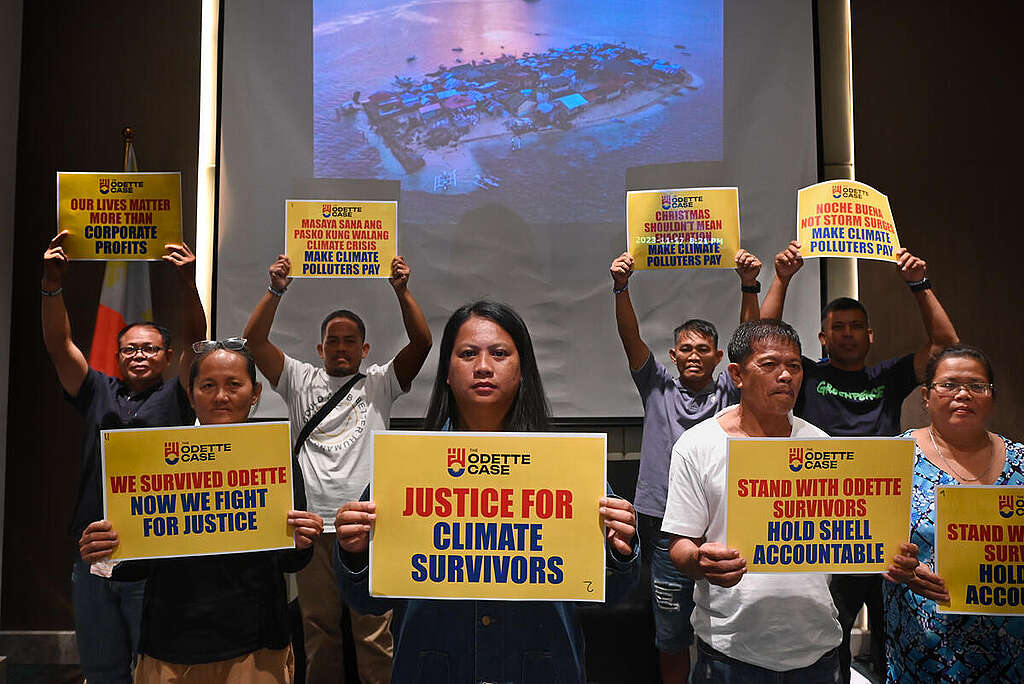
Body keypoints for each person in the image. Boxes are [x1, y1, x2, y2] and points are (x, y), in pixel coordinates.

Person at [334, 301, 641, 683]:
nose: (482, 366)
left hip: (539, 667)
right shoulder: (406, 468)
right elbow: (364, 598)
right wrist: (353, 552)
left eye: (499, 353)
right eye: (467, 354)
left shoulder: (568, 468)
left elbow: (610, 592)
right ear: (447, 371)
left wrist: (619, 548)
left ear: (522, 370)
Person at [760, 240, 959, 681]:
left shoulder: (885, 377)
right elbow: (761, 337)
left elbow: (946, 347)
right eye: (838, 327)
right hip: (828, 524)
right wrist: (782, 277)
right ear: (823, 337)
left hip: (886, 522)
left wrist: (919, 285)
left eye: (855, 326)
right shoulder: (808, 374)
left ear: (870, 336)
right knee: (829, 640)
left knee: (895, 636)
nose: (847, 333)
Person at [78, 341, 325, 683]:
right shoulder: (153, 460)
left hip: (255, 645)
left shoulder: (275, 455)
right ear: (191, 395)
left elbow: (289, 561)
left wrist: (301, 543)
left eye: (234, 385)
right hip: (169, 646)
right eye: (207, 386)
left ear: (254, 394)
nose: (221, 396)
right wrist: (105, 552)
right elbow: (136, 563)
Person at [243, 254, 431, 684]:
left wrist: (401, 292)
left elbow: (422, 343)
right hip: (312, 527)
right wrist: (276, 289)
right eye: (334, 340)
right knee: (319, 630)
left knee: (374, 634)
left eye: (350, 341)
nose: (341, 347)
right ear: (320, 347)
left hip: (368, 526)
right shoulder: (299, 379)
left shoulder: (379, 383)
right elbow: (254, 341)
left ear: (364, 349)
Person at [41, 230, 206, 684]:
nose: (138, 355)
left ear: (167, 357)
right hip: (94, 551)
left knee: (156, 668)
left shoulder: (178, 395)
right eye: (129, 348)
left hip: (153, 555)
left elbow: (198, 342)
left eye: (150, 348)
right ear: (116, 357)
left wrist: (187, 285)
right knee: (101, 670)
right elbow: (60, 346)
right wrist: (51, 286)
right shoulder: (97, 390)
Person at [608, 249, 762, 683]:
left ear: (719, 359)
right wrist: (622, 288)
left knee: (729, 628)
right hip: (664, 530)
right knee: (671, 636)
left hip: (722, 527)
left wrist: (749, 284)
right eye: (686, 349)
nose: (694, 355)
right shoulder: (656, 387)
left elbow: (750, 340)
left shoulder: (732, 394)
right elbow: (629, 338)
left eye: (704, 349)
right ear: (673, 356)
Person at [664, 319, 842, 682]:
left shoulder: (823, 446)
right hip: (731, 649)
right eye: (770, 364)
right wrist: (701, 560)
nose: (786, 376)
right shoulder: (697, 446)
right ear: (737, 375)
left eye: (794, 366)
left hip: (816, 646)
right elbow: (680, 545)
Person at [882, 345, 1024, 682]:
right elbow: (863, 543)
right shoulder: (893, 459)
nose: (963, 394)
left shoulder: (1022, 462)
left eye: (977, 386)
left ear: (992, 396)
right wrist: (894, 565)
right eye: (948, 385)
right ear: (926, 396)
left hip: (1011, 653)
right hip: (924, 653)